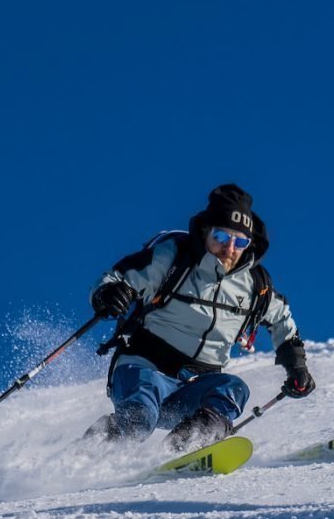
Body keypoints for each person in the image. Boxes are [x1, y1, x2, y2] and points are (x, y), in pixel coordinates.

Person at [87, 183, 315, 451]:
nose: (230, 248)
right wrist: (109, 294)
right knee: (139, 418)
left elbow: (281, 320)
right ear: (206, 231)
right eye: (222, 236)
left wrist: (297, 367)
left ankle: (183, 448)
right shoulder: (175, 258)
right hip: (144, 369)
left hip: (193, 386)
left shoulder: (255, 286)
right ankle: (86, 455)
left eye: (240, 241)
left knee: (234, 389)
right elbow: (118, 277)